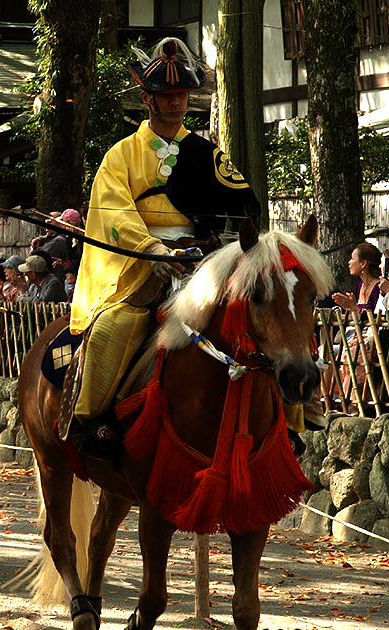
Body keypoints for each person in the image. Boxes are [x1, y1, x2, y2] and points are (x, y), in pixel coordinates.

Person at [67, 37, 261, 460]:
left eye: (183, 95)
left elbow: (244, 202)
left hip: (200, 260)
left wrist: (242, 235)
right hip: (141, 263)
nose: (177, 103)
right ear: (147, 98)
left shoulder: (208, 154)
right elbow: (114, 214)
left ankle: (290, 422)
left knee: (263, 322)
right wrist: (153, 249)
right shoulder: (120, 156)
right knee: (110, 331)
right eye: (167, 95)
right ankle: (93, 425)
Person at [331, 243, 382, 312]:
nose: (349, 262)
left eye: (352, 258)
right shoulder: (360, 285)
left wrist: (353, 307)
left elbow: (378, 316)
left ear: (363, 264)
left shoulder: (379, 287)